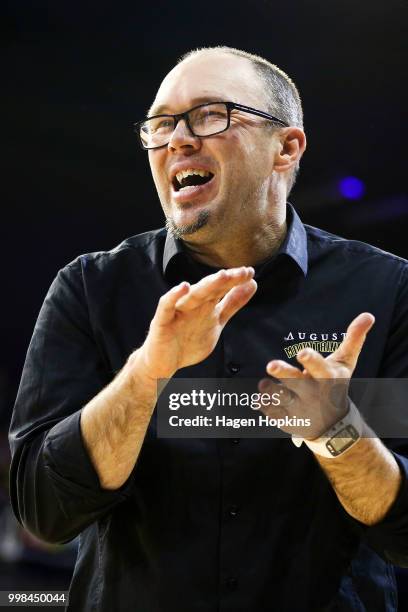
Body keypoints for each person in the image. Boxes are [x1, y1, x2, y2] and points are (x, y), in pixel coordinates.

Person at [9, 46, 408, 611]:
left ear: (286, 148)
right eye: (161, 123)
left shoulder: (384, 292)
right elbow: (45, 511)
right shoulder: (92, 290)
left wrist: (338, 433)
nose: (177, 139)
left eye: (209, 115)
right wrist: (146, 374)